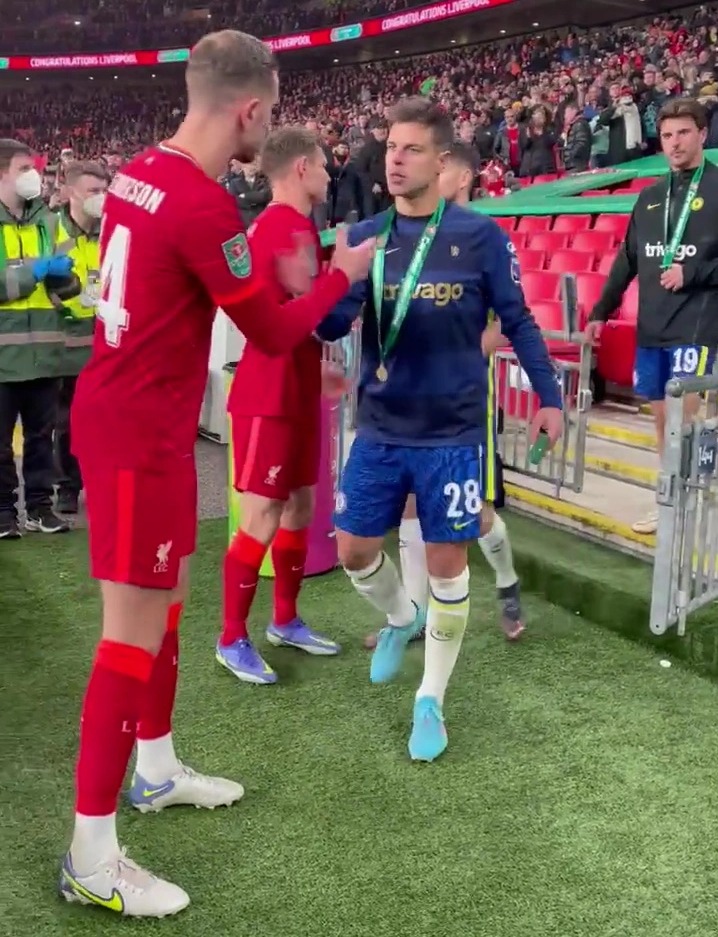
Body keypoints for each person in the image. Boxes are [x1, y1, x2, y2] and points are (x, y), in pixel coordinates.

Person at [60, 30, 374, 917]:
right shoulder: (200, 205)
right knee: (128, 636)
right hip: (136, 434)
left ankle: (154, 768)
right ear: (249, 109)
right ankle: (90, 852)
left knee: (165, 608)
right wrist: (339, 273)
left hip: (136, 420)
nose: (266, 127)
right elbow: (276, 332)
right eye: (267, 113)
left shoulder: (136, 170)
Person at [331, 98, 563, 763]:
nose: (395, 160)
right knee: (353, 550)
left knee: (445, 565)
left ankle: (430, 698)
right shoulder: (366, 236)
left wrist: (547, 394)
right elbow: (327, 326)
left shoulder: (480, 237)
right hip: (378, 427)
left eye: (410, 149)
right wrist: (331, 287)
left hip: (453, 433)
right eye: (390, 149)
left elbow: (518, 320)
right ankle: (402, 619)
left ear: (442, 161)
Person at [365, 142, 524, 649]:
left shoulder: (484, 238)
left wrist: (481, 338)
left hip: (462, 403)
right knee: (412, 505)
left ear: (460, 177)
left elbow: (511, 315)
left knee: (476, 514)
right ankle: (412, 614)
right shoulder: (405, 235)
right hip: (408, 403)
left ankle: (506, 579)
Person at [218, 126, 350, 684]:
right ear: (300, 168)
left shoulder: (298, 228)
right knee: (262, 515)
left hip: (297, 388)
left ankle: (286, 619)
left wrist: (322, 359)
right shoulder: (276, 231)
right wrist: (344, 275)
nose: (327, 174)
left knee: (299, 505)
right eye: (322, 165)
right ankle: (230, 638)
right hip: (267, 395)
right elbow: (279, 324)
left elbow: (305, 318)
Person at [586, 97, 718, 536]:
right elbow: (627, 260)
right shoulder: (649, 197)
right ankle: (671, 501)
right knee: (664, 419)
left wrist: (693, 271)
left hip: (697, 323)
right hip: (654, 326)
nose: (675, 143)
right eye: (667, 135)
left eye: (684, 132)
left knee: (686, 417)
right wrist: (601, 312)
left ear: (702, 134)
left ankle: (687, 504)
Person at [0, 138, 80, 539]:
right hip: (3, 356)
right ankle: (2, 513)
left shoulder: (50, 222)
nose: (33, 175)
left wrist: (65, 277)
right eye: (22, 169)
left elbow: (67, 286)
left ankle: (39, 508)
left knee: (40, 439)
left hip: (44, 351)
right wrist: (36, 272)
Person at [54, 160, 109, 515]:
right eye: (94, 191)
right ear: (71, 191)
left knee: (108, 418)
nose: (102, 199)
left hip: (108, 337)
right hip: (66, 337)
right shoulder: (52, 230)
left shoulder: (114, 230)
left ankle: (102, 481)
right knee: (67, 420)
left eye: (105, 190)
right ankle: (69, 486)